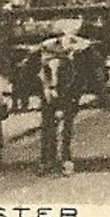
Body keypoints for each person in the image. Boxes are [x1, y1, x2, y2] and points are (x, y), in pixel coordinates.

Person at [37, 31, 91, 176]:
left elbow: (84, 47)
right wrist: (48, 87)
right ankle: (46, 159)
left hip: (68, 86)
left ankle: (66, 158)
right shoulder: (47, 47)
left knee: (68, 122)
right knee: (47, 121)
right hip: (49, 83)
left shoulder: (78, 45)